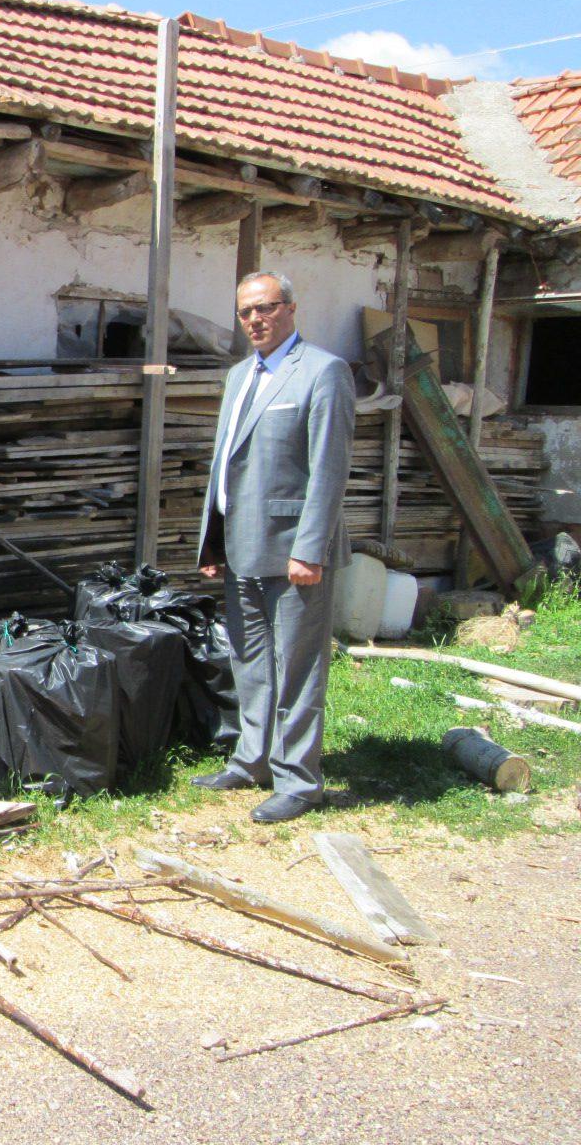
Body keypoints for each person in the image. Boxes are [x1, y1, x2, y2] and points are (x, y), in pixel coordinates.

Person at [194, 271, 355, 823]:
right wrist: (212, 542)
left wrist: (311, 549)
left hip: (294, 550)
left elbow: (329, 470)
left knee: (298, 667)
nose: (255, 320)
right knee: (250, 660)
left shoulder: (323, 371)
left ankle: (299, 780)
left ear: (290, 308)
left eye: (265, 308)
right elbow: (226, 467)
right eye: (245, 313)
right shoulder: (240, 375)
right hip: (241, 545)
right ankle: (252, 759)